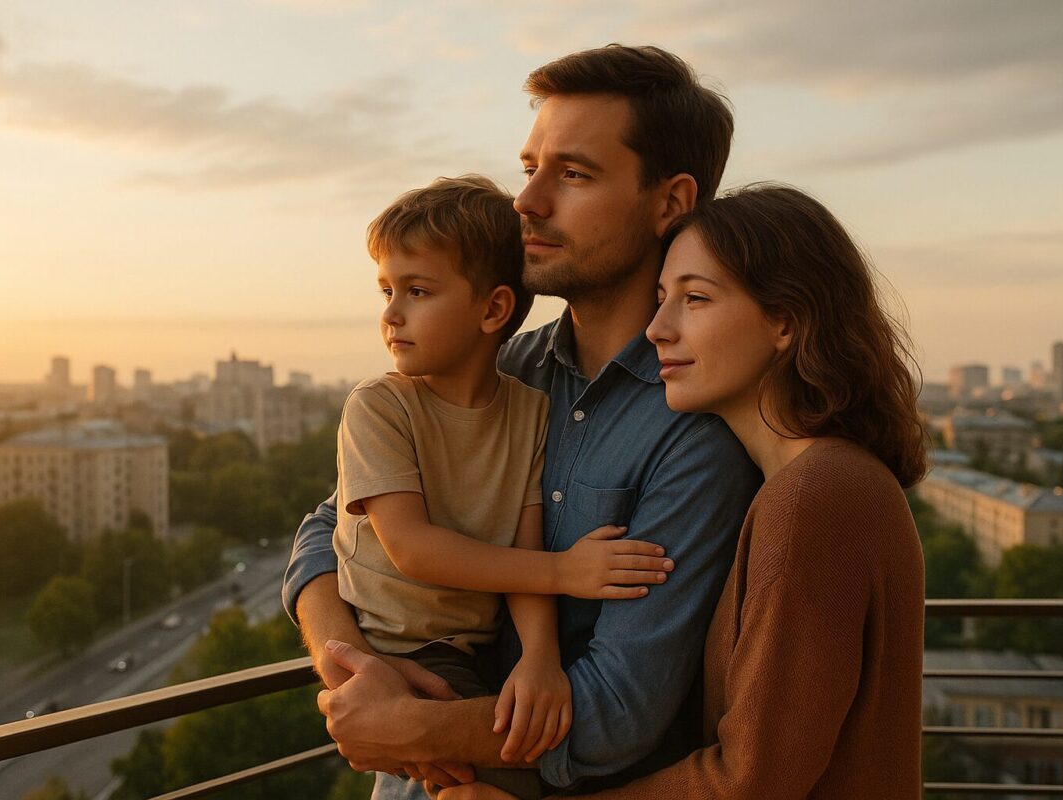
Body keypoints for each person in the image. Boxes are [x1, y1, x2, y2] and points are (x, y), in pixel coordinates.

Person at [284, 45, 762, 797]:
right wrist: (354, 667)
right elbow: (329, 526)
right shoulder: (496, 366)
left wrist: (411, 726)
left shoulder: (695, 426)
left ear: (669, 203)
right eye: (530, 166)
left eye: (572, 174)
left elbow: (619, 711)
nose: (527, 202)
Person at [425, 185, 928, 798]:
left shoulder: (814, 496)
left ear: (786, 322)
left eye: (695, 299)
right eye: (662, 298)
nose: (658, 329)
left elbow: (752, 780)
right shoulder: (814, 484)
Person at [331, 174, 673, 798]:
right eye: (386, 290)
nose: (390, 313)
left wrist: (538, 657)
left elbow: (526, 545)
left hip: (475, 657)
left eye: (416, 290)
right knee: (513, 767)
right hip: (403, 648)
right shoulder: (378, 406)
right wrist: (566, 574)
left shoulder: (528, 411)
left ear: (492, 310)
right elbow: (412, 548)